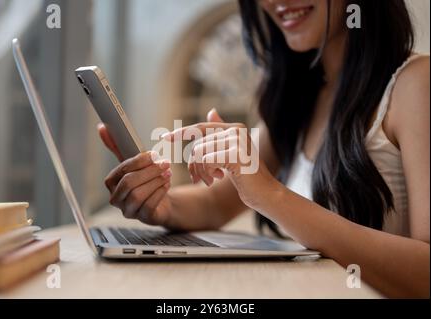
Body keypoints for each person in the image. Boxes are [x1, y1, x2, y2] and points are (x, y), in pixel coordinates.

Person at [97, 0, 429, 298]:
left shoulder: (416, 83)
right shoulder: (298, 94)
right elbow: (214, 203)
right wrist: (159, 203)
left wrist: (271, 195)